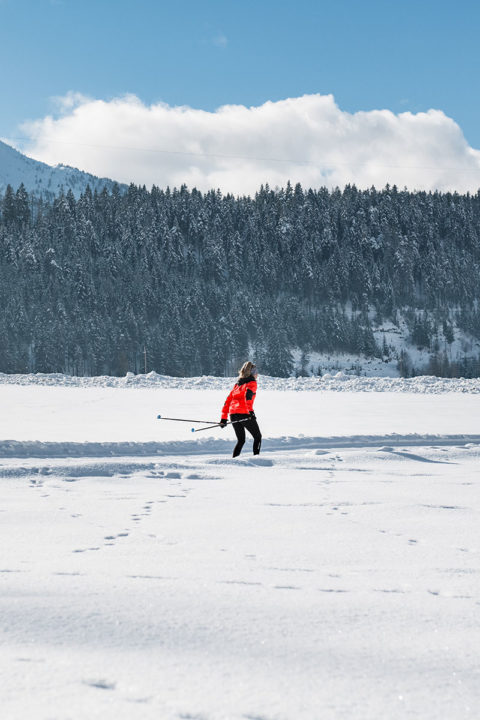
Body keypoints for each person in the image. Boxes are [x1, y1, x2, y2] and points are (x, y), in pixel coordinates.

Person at [220, 361, 262, 457]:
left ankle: (234, 460)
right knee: (258, 436)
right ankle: (256, 458)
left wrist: (223, 418)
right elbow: (248, 398)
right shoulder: (252, 383)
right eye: (256, 371)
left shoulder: (237, 385)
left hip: (233, 415)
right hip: (244, 413)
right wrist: (250, 412)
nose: (257, 374)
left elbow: (228, 402)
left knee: (241, 440)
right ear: (252, 373)